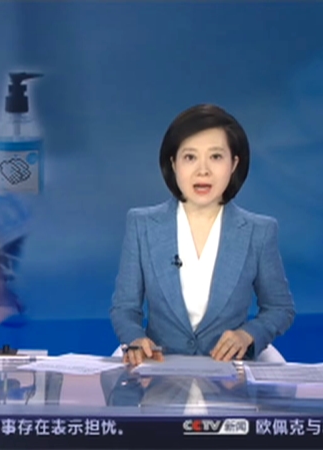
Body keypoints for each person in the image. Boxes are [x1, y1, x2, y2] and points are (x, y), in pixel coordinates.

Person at [110, 104, 296, 366]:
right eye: (190, 157)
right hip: (159, 366)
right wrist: (135, 338)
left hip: (230, 371)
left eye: (216, 157)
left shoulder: (259, 232)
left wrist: (248, 335)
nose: (203, 170)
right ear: (173, 163)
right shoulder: (142, 225)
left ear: (234, 164)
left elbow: (279, 308)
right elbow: (124, 308)